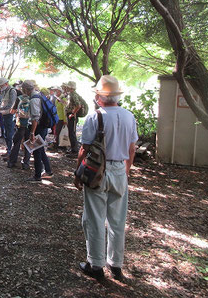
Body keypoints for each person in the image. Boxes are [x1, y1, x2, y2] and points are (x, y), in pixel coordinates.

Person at [74, 75, 137, 281]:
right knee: (118, 221)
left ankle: (96, 264)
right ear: (117, 96)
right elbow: (131, 148)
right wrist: (126, 171)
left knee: (94, 219)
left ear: (99, 96)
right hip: (120, 171)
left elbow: (84, 148)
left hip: (97, 173)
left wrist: (78, 173)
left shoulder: (95, 117)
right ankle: (116, 265)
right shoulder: (129, 116)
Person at [21, 80, 52, 182]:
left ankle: (37, 175)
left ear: (26, 89)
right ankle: (48, 171)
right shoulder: (38, 95)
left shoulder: (34, 99)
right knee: (40, 148)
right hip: (42, 126)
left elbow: (35, 118)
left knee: (37, 151)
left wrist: (32, 133)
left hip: (38, 128)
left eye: (22, 88)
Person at [0, 77, 17, 160]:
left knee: (9, 134)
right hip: (4, 114)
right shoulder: (3, 91)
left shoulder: (12, 91)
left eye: (1, 85)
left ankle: (11, 152)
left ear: (6, 84)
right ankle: (9, 150)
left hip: (10, 115)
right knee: (6, 133)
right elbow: (1, 102)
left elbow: (11, 104)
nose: (0, 87)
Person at [7, 85, 31, 170]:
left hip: (20, 124)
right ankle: (26, 163)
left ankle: (12, 162)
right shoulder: (33, 98)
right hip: (30, 124)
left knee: (16, 143)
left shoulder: (19, 98)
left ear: (22, 89)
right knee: (28, 143)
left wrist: (16, 112)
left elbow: (12, 111)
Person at [64, 81, 84, 155]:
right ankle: (73, 149)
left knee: (72, 132)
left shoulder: (73, 94)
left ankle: (75, 150)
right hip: (71, 115)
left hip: (72, 116)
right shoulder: (71, 94)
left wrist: (73, 113)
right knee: (71, 132)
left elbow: (78, 105)